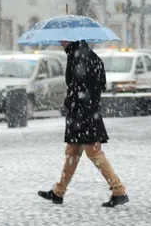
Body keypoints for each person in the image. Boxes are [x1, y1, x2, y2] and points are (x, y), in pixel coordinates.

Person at [38, 40, 129, 207]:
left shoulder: (78, 58)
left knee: (94, 152)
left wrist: (70, 103)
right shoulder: (91, 57)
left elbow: (76, 87)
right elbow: (100, 85)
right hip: (86, 111)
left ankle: (119, 190)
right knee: (72, 151)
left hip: (82, 112)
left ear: (72, 39)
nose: (61, 42)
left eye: (64, 39)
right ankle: (58, 192)